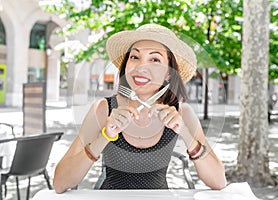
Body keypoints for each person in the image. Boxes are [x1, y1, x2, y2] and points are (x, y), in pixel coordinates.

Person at [53, 24, 227, 193]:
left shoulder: (182, 113)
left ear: (168, 73)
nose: (141, 67)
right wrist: (105, 136)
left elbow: (219, 181)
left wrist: (186, 134)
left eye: (155, 59)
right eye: (134, 57)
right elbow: (60, 183)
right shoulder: (103, 108)